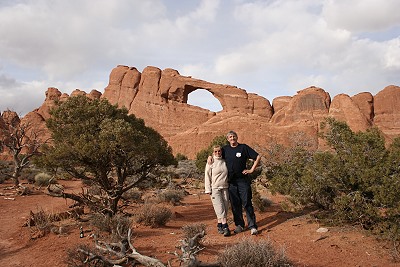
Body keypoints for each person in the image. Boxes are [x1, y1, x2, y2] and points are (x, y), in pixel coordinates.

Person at [208, 130, 261, 235]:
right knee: (235, 204)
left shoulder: (243, 148)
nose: (232, 138)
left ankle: (252, 226)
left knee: (247, 202)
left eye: (234, 136)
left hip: (243, 180)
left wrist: (251, 170)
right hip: (231, 182)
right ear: (228, 139)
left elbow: (258, 156)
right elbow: (216, 153)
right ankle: (239, 225)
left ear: (237, 137)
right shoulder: (225, 149)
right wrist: (209, 157)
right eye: (230, 137)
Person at [204, 145, 231, 237]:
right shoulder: (210, 162)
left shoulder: (224, 161)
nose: (217, 153)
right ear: (213, 152)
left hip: (225, 187)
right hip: (215, 189)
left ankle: (219, 225)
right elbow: (207, 175)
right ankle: (225, 227)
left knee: (225, 207)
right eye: (215, 151)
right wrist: (208, 189)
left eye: (219, 151)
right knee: (219, 207)